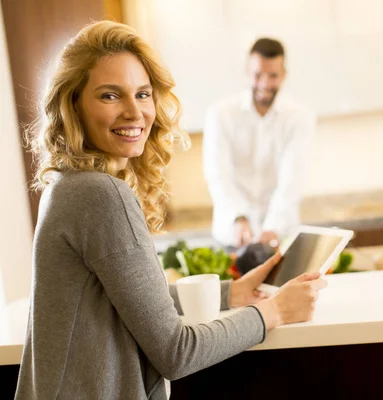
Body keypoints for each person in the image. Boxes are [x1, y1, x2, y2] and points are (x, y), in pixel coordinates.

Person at [15, 21, 326, 400]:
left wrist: (232, 294)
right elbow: (176, 351)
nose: (134, 112)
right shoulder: (101, 195)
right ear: (73, 104)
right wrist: (272, 312)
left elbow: (131, 301)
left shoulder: (68, 185)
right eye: (110, 96)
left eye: (143, 94)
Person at [203, 37, 316, 248]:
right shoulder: (221, 114)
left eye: (273, 75)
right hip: (232, 234)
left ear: (284, 75)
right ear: (247, 71)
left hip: (281, 235)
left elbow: (294, 177)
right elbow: (217, 173)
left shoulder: (299, 116)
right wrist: (238, 217)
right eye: (258, 75)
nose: (264, 83)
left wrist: (272, 226)